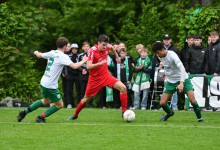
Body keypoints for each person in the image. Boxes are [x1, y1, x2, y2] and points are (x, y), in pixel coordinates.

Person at [17, 37, 88, 123]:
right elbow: (75, 66)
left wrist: (36, 52)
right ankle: (40, 117)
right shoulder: (62, 56)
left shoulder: (52, 52)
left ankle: (24, 112)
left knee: (45, 101)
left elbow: (39, 55)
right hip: (50, 84)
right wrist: (84, 60)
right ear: (65, 46)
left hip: (44, 81)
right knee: (59, 105)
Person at [67, 34, 128, 120]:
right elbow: (88, 66)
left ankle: (124, 112)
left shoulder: (107, 46)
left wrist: (117, 56)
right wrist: (98, 64)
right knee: (85, 100)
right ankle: (75, 114)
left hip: (106, 76)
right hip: (94, 79)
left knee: (123, 88)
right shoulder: (92, 51)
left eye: (106, 44)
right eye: (103, 45)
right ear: (98, 43)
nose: (105, 47)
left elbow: (111, 47)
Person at [151, 41, 207, 122]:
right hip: (171, 81)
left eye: (158, 52)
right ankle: (169, 113)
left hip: (183, 79)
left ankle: (200, 119)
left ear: (163, 49)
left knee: (193, 100)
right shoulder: (160, 56)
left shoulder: (172, 55)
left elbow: (182, 68)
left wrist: (181, 83)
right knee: (162, 103)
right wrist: (165, 72)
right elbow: (167, 65)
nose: (157, 55)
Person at [154, 34, 180, 110]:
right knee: (163, 88)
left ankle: (174, 106)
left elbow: (179, 61)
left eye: (168, 39)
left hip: (173, 71)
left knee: (174, 89)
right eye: (165, 39)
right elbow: (155, 59)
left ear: (170, 40)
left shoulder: (175, 49)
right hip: (162, 71)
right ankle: (164, 106)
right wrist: (158, 64)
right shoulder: (158, 48)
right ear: (163, 40)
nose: (166, 40)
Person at [78, 42, 94, 108]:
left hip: (89, 75)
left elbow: (93, 64)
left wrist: (87, 71)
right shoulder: (80, 55)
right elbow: (77, 64)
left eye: (87, 46)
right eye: (85, 46)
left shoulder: (92, 55)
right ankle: (81, 105)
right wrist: (82, 69)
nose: (86, 48)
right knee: (82, 90)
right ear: (82, 48)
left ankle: (91, 105)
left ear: (90, 47)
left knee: (90, 90)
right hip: (81, 75)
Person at [65, 43, 81, 108]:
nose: (74, 50)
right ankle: (70, 103)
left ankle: (79, 104)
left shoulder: (79, 56)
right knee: (69, 90)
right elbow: (66, 66)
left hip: (77, 75)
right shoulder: (68, 56)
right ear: (71, 49)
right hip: (70, 75)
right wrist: (66, 74)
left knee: (78, 90)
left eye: (76, 49)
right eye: (73, 49)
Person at [60, 42, 71, 107]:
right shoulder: (61, 55)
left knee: (69, 90)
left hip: (70, 75)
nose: (67, 48)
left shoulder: (71, 55)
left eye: (69, 46)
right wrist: (62, 72)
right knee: (65, 90)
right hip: (63, 74)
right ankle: (66, 103)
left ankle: (70, 103)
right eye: (67, 46)